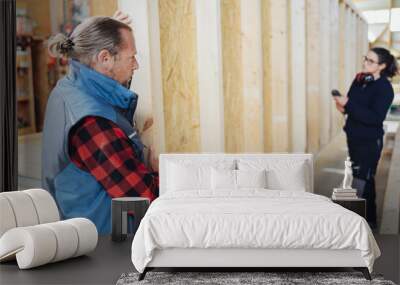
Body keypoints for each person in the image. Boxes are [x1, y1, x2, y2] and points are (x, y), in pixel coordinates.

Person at [42, 13, 159, 234]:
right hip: (106, 246)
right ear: (105, 59)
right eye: (131, 57)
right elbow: (144, 199)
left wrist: (108, 31)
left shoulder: (68, 88)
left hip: (78, 225)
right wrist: (161, 172)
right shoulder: (93, 123)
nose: (136, 65)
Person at [334, 47, 398, 229]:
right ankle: (370, 221)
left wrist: (349, 105)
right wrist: (343, 107)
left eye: (371, 61)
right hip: (353, 136)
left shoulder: (384, 88)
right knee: (366, 179)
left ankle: (355, 224)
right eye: (365, 59)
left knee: (361, 180)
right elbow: (352, 105)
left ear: (382, 66)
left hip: (369, 141)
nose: (365, 63)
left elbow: (375, 118)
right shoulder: (360, 79)